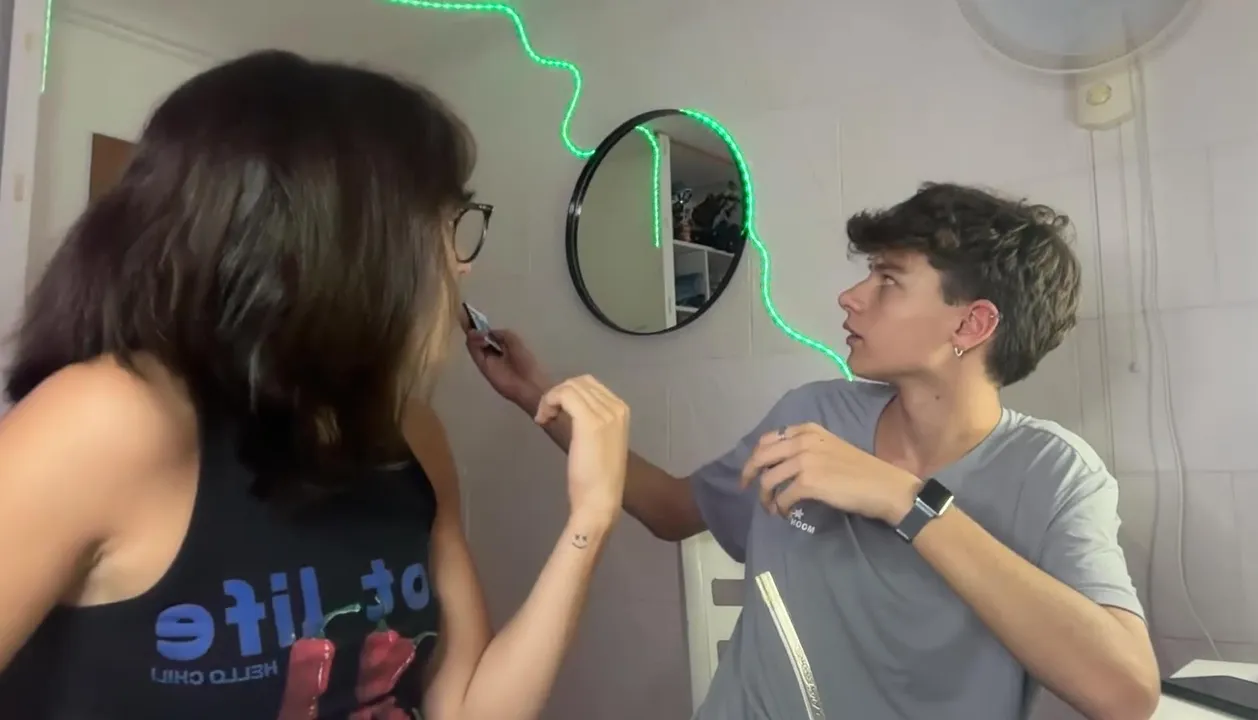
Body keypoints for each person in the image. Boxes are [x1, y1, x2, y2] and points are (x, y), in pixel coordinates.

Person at [0, 50, 631, 720]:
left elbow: (469, 709)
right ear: (343, 241)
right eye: (446, 226)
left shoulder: (414, 436)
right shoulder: (107, 420)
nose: (461, 263)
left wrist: (590, 520)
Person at [470, 183, 1161, 720]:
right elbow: (670, 509)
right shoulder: (813, 414)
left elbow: (1126, 693)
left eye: (888, 281)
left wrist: (904, 500)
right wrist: (537, 396)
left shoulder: (1055, 474)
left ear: (971, 324)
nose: (851, 297)